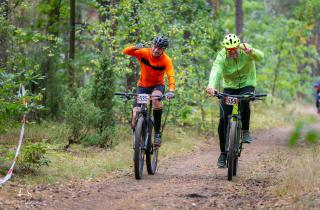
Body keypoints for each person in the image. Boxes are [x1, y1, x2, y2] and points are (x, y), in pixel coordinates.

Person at [206, 33, 264, 168]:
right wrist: (211, 86)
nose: (232, 52)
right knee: (223, 119)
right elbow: (216, 70)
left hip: (247, 84)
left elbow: (261, 57)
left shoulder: (245, 49)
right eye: (229, 49)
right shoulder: (221, 56)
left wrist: (252, 52)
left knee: (245, 100)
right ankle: (223, 153)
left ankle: (245, 131)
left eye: (234, 48)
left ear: (238, 46)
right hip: (229, 87)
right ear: (225, 48)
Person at [123, 35, 175, 147]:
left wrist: (171, 90)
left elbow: (171, 76)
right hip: (142, 87)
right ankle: (137, 140)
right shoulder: (144, 53)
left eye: (160, 48)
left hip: (157, 86)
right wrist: (135, 47)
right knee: (135, 115)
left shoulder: (166, 60)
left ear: (163, 50)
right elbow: (125, 51)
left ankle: (157, 133)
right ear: (152, 45)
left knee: (156, 100)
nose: (156, 50)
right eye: (155, 46)